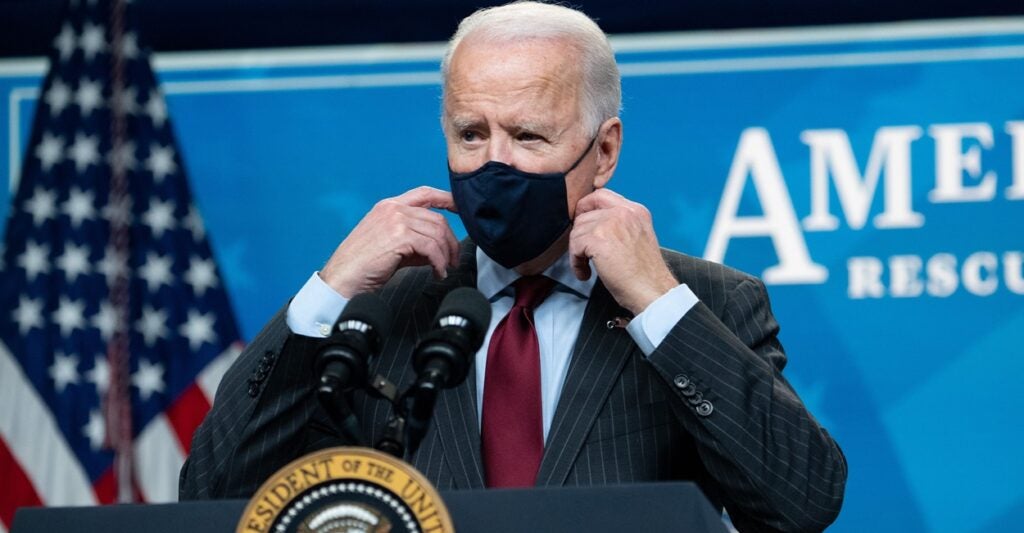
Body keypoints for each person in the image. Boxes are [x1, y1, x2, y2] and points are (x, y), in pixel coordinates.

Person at [179, 2, 847, 531]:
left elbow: (800, 504)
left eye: (528, 135)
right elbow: (214, 494)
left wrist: (657, 302)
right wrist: (330, 289)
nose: (494, 164)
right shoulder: (381, 313)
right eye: (471, 134)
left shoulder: (704, 299)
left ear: (604, 152)